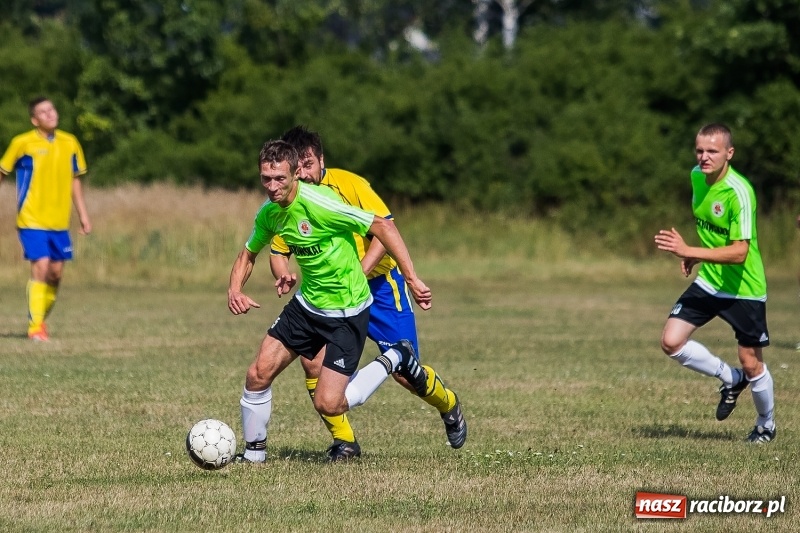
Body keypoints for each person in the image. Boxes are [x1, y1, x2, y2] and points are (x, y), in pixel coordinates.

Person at [228, 139, 433, 463]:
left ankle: (396, 356)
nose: (272, 186)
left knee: (329, 403)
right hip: (307, 306)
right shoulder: (270, 213)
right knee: (257, 374)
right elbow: (249, 252)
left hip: (347, 311)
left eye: (279, 178)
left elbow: (382, 225)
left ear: (295, 174)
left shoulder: (321, 203)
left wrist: (411, 277)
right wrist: (235, 288)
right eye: (266, 178)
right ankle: (254, 456)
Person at [268, 126, 466, 460]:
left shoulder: (351, 185)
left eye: (308, 164)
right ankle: (344, 442)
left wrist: (372, 273)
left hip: (380, 288)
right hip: (330, 297)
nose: (303, 173)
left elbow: (383, 229)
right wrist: (282, 272)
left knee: (407, 373)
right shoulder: (291, 198)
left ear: (321, 160)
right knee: (312, 363)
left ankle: (448, 403)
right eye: (297, 167)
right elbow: (278, 247)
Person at [655, 123, 775, 443]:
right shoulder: (697, 176)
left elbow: (739, 252)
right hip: (710, 280)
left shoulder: (739, 192)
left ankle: (766, 424)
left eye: (712, 151)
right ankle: (729, 378)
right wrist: (698, 257)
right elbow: (713, 231)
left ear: (729, 153)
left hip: (744, 288)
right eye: (700, 150)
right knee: (671, 341)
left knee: (752, 363)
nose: (704, 157)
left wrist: (688, 250)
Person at [0, 97, 92, 341]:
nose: (50, 114)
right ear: (34, 120)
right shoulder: (22, 143)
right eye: (43, 112)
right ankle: (35, 328)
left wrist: (83, 214)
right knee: (40, 265)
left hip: (60, 222)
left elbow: (75, 180)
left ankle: (39, 320)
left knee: (55, 275)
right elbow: (2, 171)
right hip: (31, 220)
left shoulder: (70, 142)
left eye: (51, 109)